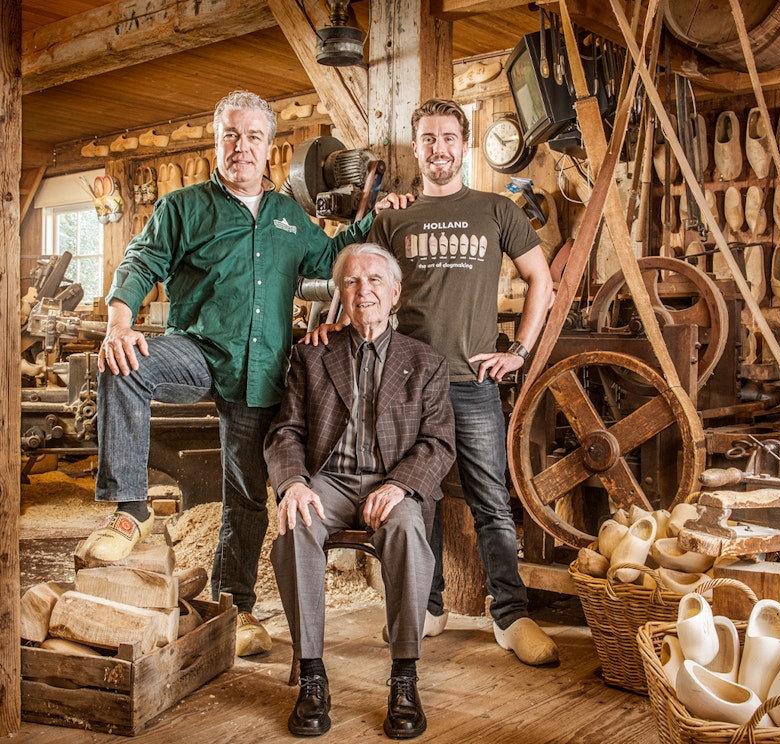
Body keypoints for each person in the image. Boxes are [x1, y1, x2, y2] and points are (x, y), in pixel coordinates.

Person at [78, 89, 376, 658]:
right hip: (197, 351)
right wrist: (120, 322)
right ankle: (129, 510)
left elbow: (331, 260)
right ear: (218, 142)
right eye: (231, 136)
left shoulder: (291, 217)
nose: (242, 147)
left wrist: (373, 220)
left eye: (254, 137)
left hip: (262, 369)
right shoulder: (183, 207)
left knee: (246, 494)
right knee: (123, 365)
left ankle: (234, 609)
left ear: (269, 148)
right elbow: (141, 261)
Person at [368, 98, 557, 665]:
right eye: (428, 139)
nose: (439, 149)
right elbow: (368, 288)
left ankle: (510, 615)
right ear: (417, 146)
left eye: (449, 138)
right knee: (415, 502)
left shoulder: (497, 211)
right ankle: (427, 609)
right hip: (406, 385)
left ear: (464, 144)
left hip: (474, 383)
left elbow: (540, 281)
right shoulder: (392, 217)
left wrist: (519, 352)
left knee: (493, 503)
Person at [266, 243, 454, 739]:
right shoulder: (312, 353)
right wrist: (292, 484)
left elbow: (438, 443)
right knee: (294, 524)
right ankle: (311, 676)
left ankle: (405, 678)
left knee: (410, 529)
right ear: (339, 295)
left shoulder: (426, 361)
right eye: (351, 282)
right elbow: (285, 431)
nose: (363, 290)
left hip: (392, 483)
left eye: (374, 281)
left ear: (395, 293)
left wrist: (400, 485)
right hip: (328, 480)